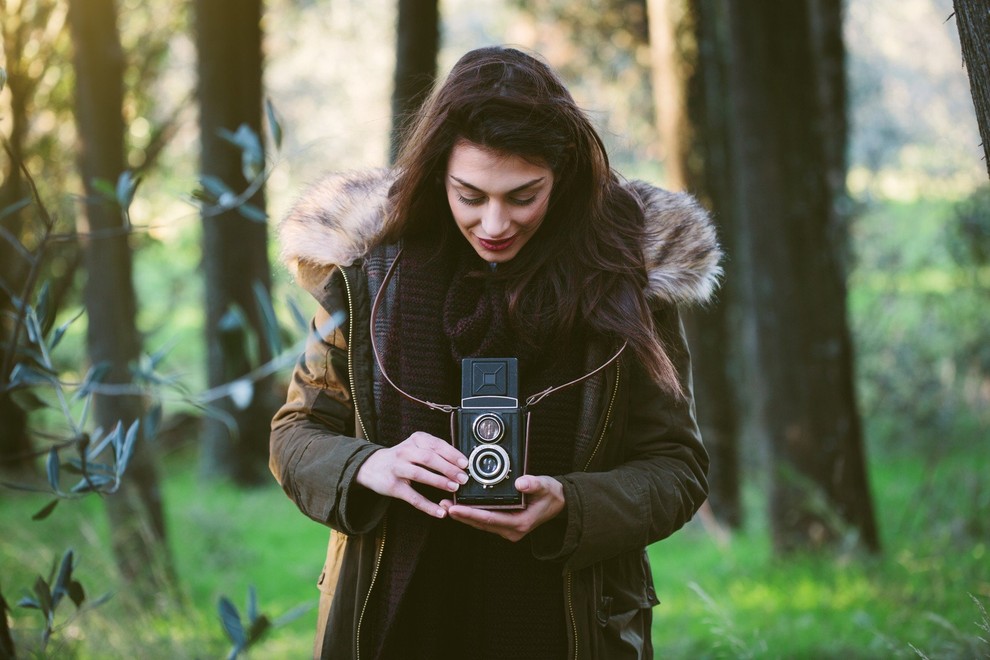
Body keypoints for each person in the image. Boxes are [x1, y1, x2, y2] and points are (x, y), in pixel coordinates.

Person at [271, 46, 721, 660]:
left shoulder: (625, 282)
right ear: (437, 176)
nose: (494, 223)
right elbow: (297, 432)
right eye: (470, 195)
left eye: (523, 196)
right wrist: (365, 467)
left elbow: (677, 467)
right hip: (394, 623)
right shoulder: (369, 274)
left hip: (564, 627)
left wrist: (572, 504)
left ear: (561, 178)